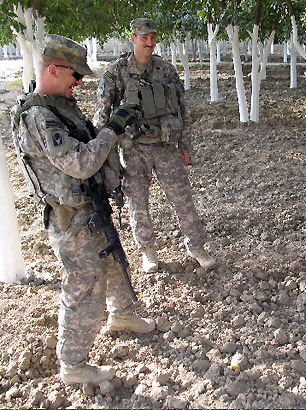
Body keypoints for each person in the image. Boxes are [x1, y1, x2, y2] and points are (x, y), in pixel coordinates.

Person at [10, 34, 156, 386]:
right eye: (75, 75)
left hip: (90, 207)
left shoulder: (61, 104)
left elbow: (89, 143)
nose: (78, 83)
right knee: (84, 285)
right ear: (53, 69)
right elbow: (80, 162)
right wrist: (113, 128)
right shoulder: (38, 116)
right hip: (70, 216)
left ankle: (121, 314)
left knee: (114, 262)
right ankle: (73, 363)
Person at [93, 18, 215, 273]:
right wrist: (102, 154)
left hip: (165, 147)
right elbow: (102, 115)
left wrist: (185, 144)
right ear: (133, 38)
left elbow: (182, 109)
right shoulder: (117, 72)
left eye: (152, 38)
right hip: (133, 149)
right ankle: (148, 251)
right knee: (138, 203)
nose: (149, 43)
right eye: (143, 38)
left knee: (183, 200)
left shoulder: (167, 70)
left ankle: (196, 246)